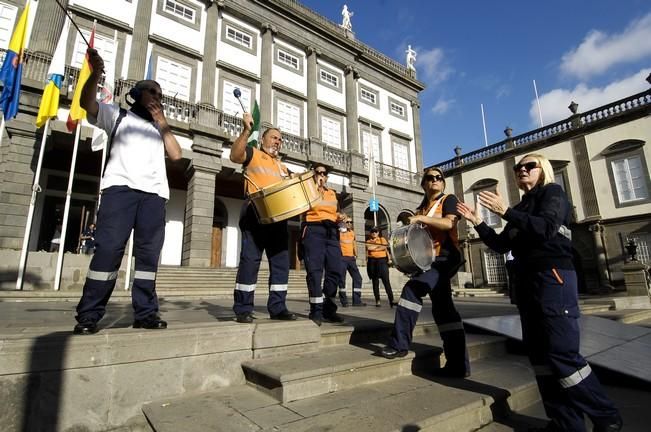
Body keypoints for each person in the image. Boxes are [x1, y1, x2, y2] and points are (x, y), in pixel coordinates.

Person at [456, 154, 622, 431]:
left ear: (542, 170)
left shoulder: (553, 193)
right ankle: (565, 423)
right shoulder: (522, 206)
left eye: (528, 165)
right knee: (541, 358)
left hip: (552, 278)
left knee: (562, 353)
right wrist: (478, 222)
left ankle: (606, 416)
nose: (521, 169)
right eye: (517, 167)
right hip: (526, 284)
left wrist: (505, 211)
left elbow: (546, 228)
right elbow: (500, 244)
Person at [73, 48, 182, 335]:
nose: (157, 97)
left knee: (147, 258)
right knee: (108, 252)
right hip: (120, 190)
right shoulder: (117, 115)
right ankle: (89, 314)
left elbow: (176, 155)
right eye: (151, 91)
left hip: (154, 196)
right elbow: (87, 103)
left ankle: (145, 312)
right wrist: (96, 73)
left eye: (159, 94)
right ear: (136, 94)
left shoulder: (161, 128)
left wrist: (163, 124)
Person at [380, 167, 470, 379]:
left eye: (439, 178)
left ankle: (399, 344)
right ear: (424, 184)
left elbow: (448, 223)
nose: (435, 180)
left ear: (443, 183)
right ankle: (458, 365)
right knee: (444, 310)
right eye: (430, 178)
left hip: (445, 258)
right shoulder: (422, 207)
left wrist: (420, 220)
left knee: (412, 291)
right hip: (430, 260)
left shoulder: (448, 199)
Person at [230, 114, 297, 324]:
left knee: (280, 264)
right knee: (250, 261)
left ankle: (278, 307)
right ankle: (243, 308)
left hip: (278, 219)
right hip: (255, 213)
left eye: (279, 139)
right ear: (263, 140)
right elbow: (235, 156)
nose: (277, 142)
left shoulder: (283, 167)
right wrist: (246, 131)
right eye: (273, 138)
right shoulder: (254, 154)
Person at [301, 163, 345, 326]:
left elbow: (336, 212)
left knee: (335, 271)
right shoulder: (307, 191)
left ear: (327, 177)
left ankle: (329, 309)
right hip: (313, 230)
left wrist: (340, 217)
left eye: (324, 173)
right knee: (315, 272)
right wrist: (315, 189)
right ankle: (316, 310)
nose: (321, 175)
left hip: (332, 232)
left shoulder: (332, 194)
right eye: (317, 173)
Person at [338, 216, 366, 307]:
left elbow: (354, 243)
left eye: (351, 222)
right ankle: (344, 301)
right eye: (347, 222)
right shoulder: (339, 233)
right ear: (343, 223)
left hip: (351, 259)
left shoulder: (352, 233)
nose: (349, 223)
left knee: (358, 278)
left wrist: (356, 254)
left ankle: (357, 301)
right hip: (342, 258)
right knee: (342, 280)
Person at [366, 227, 395, 307]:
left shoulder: (382, 239)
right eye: (372, 231)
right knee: (375, 282)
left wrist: (375, 248)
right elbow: (369, 248)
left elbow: (384, 246)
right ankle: (377, 300)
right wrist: (379, 247)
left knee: (386, 281)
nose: (374, 233)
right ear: (370, 233)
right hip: (372, 262)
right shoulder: (368, 241)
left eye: (375, 231)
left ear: (378, 233)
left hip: (382, 262)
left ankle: (391, 300)